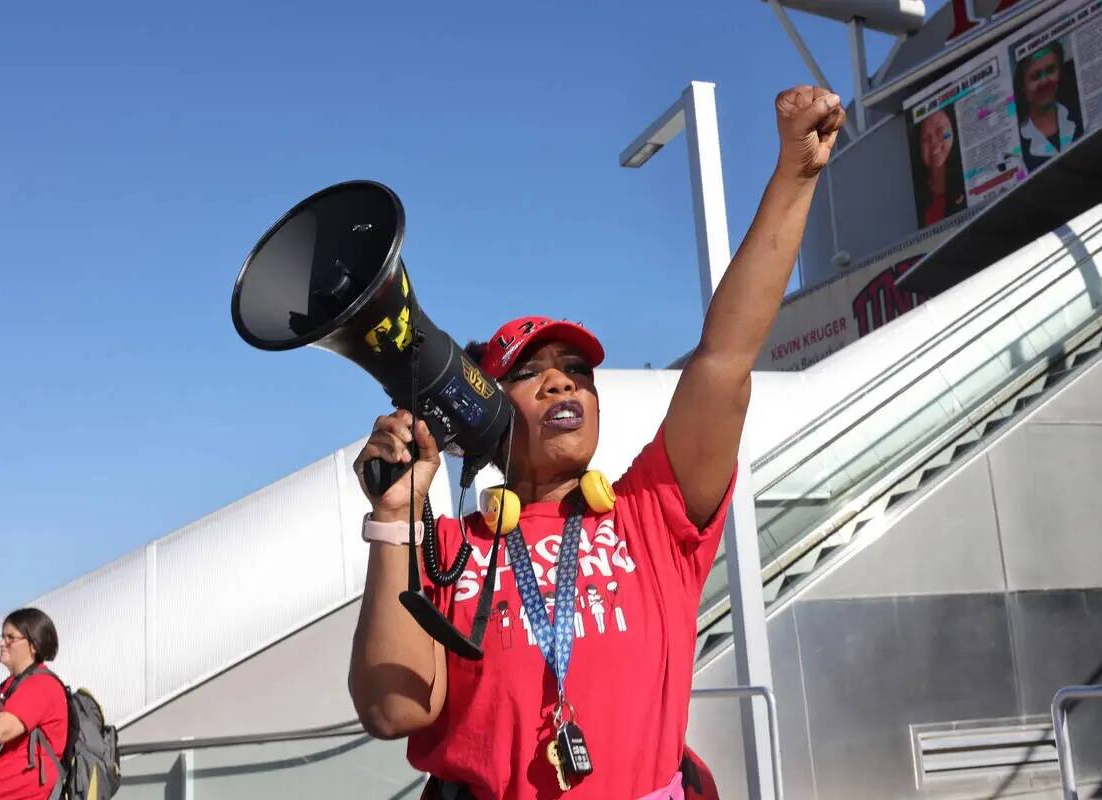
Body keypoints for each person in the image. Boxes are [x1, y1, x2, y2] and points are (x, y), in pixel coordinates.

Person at [348, 85, 845, 799]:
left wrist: (796, 173)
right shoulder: (449, 551)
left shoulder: (651, 516)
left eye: (577, 373)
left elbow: (726, 357)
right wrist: (394, 520)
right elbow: (393, 707)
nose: (562, 386)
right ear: (481, 406)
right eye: (532, 375)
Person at [0, 609, 68, 800]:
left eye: (10, 637)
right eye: (1, 637)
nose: (2, 643)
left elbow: (1, 730)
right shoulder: (10, 685)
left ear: (34, 645)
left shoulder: (41, 686)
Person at [1015, 40, 1084, 172]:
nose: (1045, 81)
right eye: (1035, 76)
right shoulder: (1017, 147)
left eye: (1051, 70)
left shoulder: (1080, 114)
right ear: (1022, 86)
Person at [914, 109, 966, 227]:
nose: (933, 142)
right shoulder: (918, 200)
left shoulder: (968, 181)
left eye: (939, 130)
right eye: (925, 139)